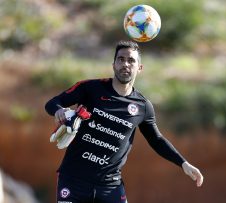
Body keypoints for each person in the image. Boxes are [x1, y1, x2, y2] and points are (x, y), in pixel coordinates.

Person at [45, 40, 203, 203]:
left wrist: (183, 163)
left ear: (139, 68)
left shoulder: (143, 107)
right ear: (113, 64)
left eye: (131, 60)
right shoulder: (90, 88)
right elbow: (52, 103)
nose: (125, 64)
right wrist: (59, 110)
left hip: (110, 187)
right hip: (74, 179)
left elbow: (156, 139)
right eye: (120, 59)